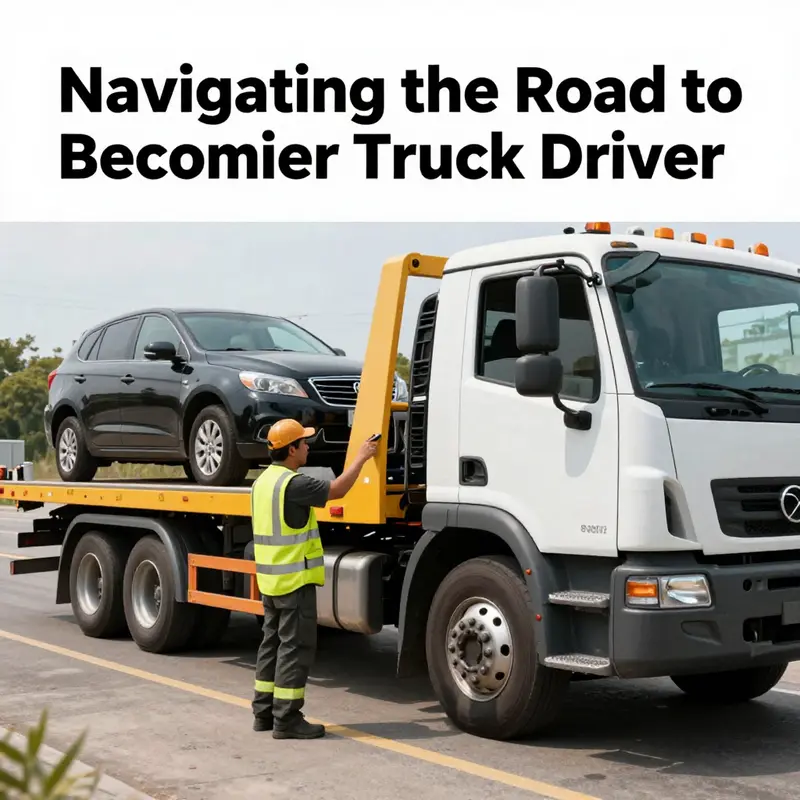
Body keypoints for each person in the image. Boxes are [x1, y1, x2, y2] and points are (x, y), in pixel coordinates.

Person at [250, 418, 379, 739]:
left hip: (271, 581)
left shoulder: (263, 482)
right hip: (294, 582)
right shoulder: (294, 484)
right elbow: (338, 489)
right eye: (304, 443)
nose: (308, 446)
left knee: (272, 645)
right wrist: (362, 456)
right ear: (291, 449)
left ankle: (264, 713)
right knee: (295, 648)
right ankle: (287, 719)